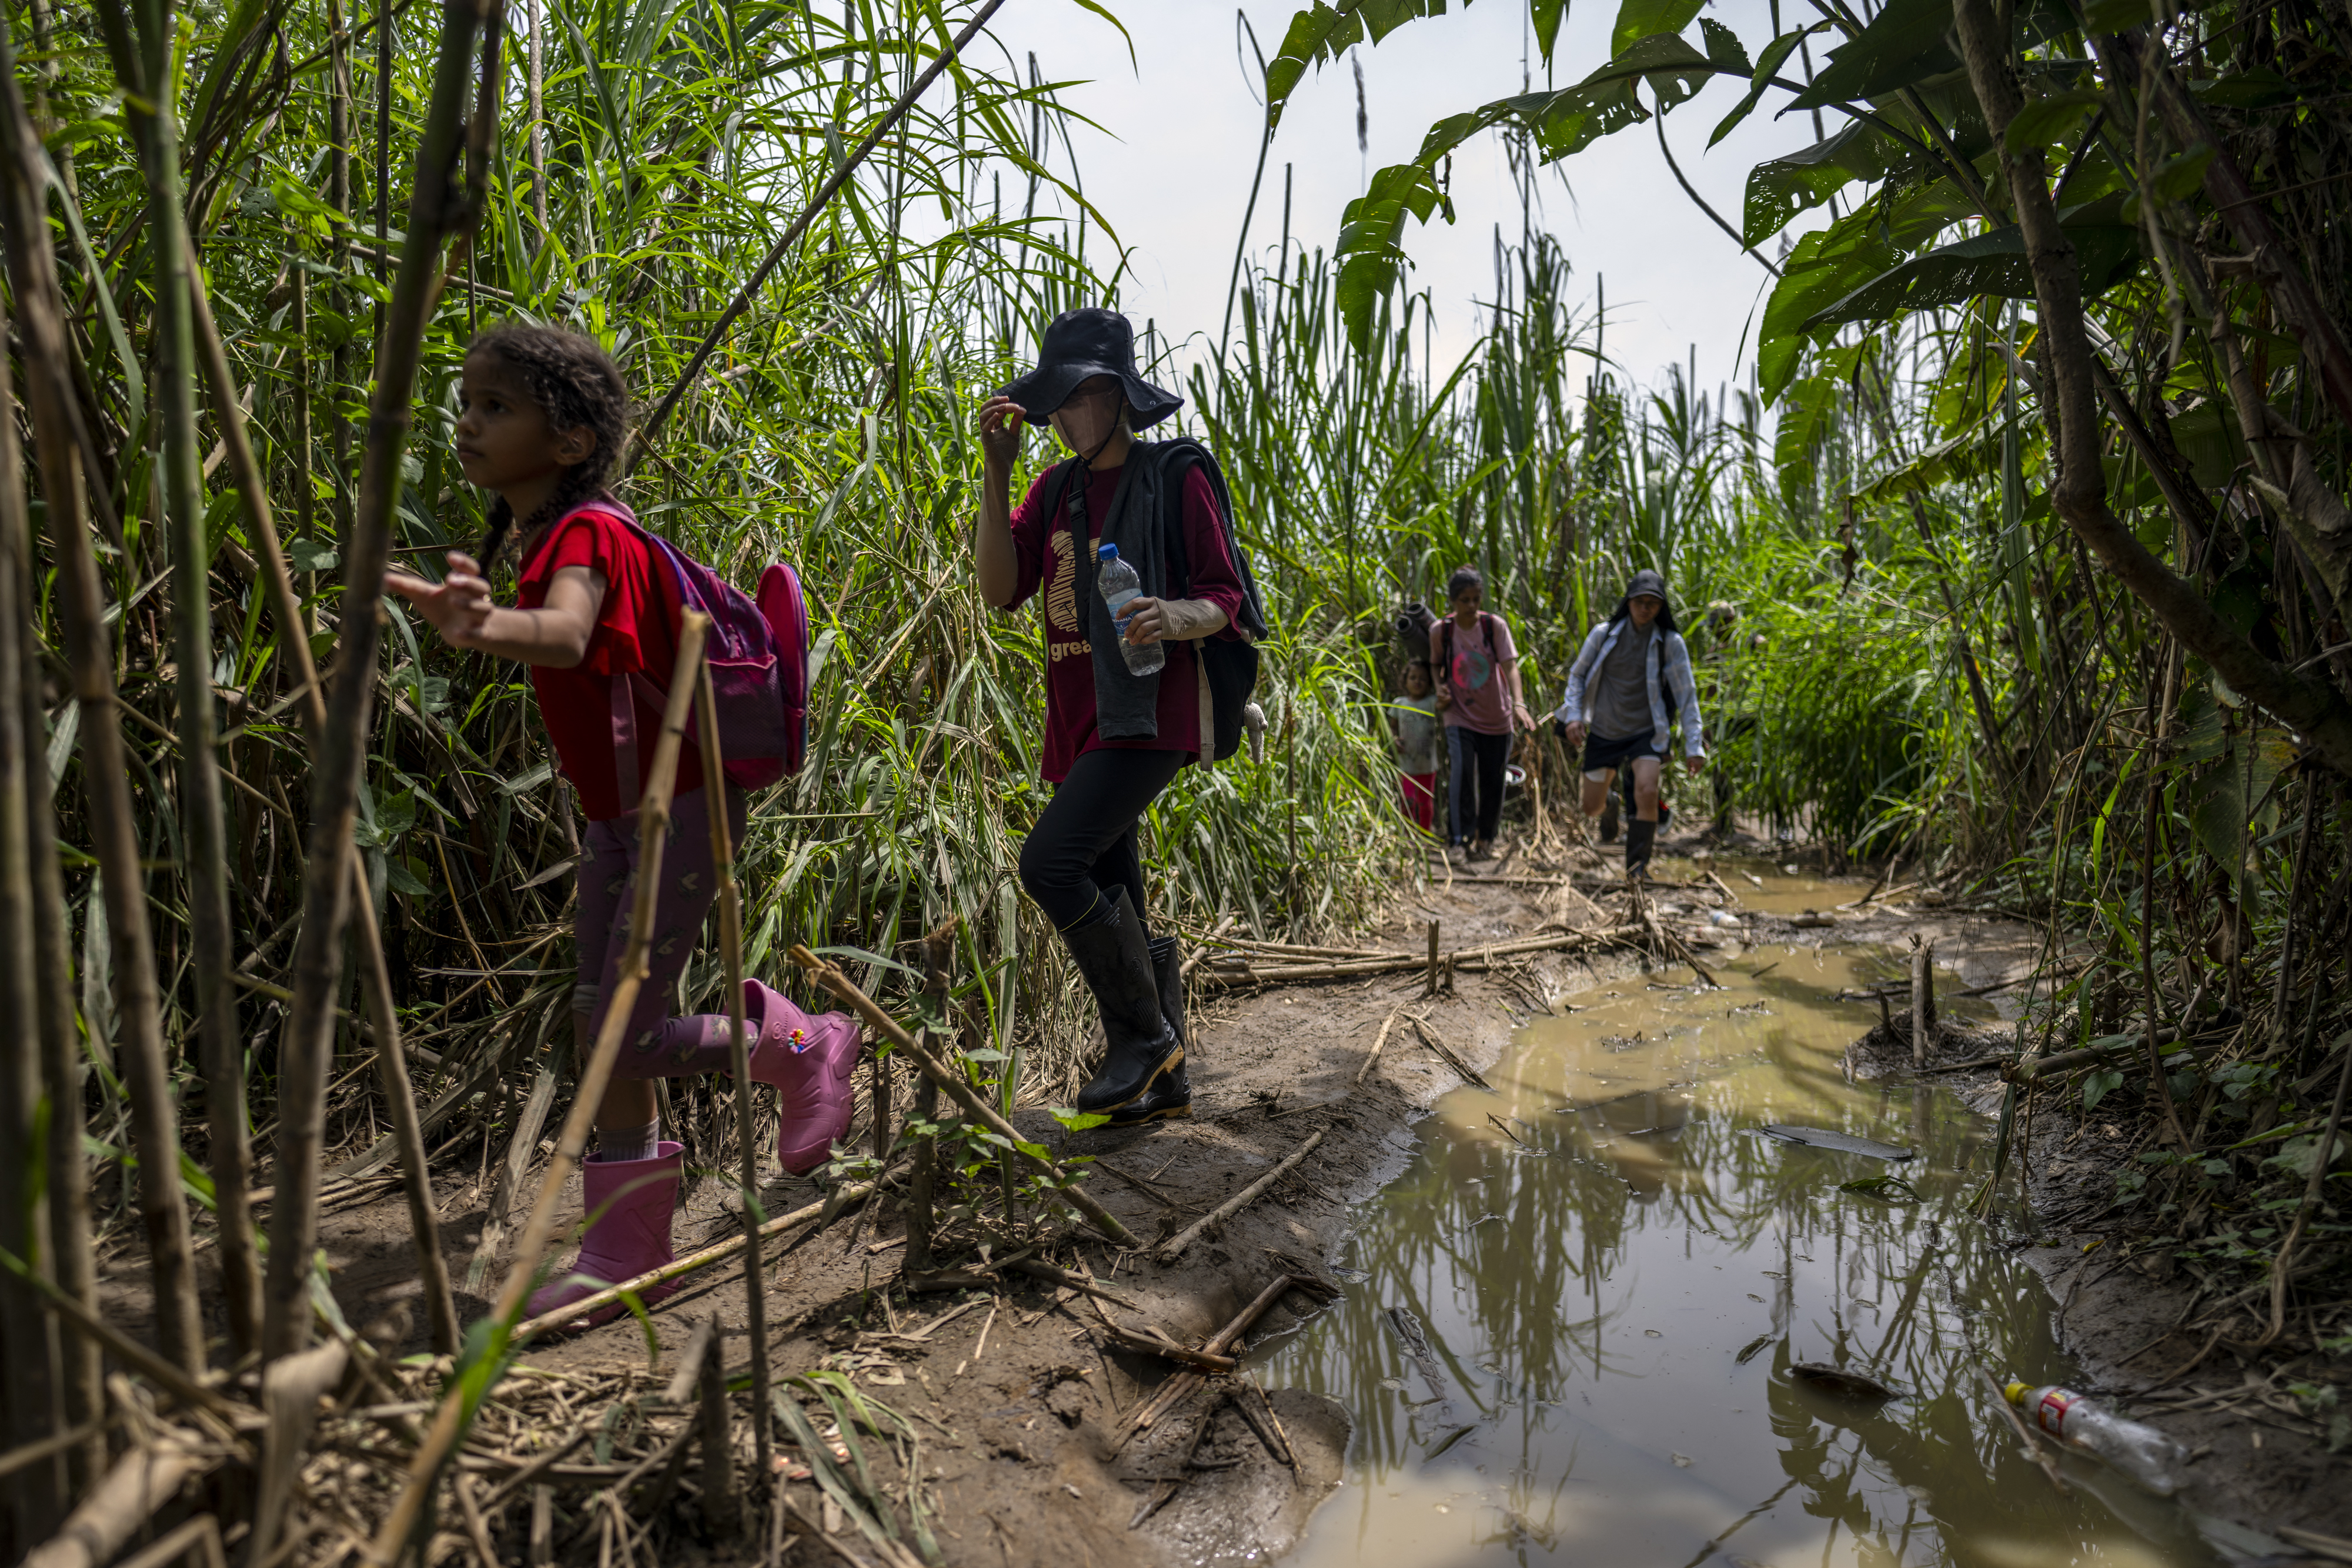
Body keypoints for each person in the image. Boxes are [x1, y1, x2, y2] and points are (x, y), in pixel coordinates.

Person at [384, 324, 858, 1329]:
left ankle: (802, 1044)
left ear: (570, 440)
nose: (468, 421)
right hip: (624, 815)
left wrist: (479, 625)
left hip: (675, 809)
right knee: (602, 1018)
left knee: (621, 1029)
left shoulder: (588, 533)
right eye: (467, 401)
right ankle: (627, 1252)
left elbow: (561, 634)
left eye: (496, 406)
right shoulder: (549, 533)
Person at [974, 307, 1264, 1126]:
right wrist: (998, 474)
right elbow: (1001, 590)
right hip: (1079, 715)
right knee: (1110, 883)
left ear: (1119, 395)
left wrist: (1170, 617)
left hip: (1149, 716)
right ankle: (1163, 1070)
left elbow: (1225, 598)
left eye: (1082, 397)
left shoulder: (1176, 475)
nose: (1068, 416)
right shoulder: (1053, 488)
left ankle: (1140, 1037)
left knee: (1050, 864)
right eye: (1056, 403)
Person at [1552, 567, 1707, 880]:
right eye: (1640, 601)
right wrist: (1574, 717)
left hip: (1646, 732)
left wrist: (1694, 746)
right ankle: (1611, 805)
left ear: (1661, 607)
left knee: (1648, 791)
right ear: (1629, 601)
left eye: (1653, 602)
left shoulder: (1670, 643)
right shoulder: (1603, 634)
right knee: (1591, 808)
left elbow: (1686, 696)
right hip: (1605, 729)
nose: (1646, 608)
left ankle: (1637, 869)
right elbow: (1578, 675)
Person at [1427, 566, 1532, 862]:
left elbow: (1511, 666)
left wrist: (1519, 704)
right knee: (1461, 773)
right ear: (1452, 601)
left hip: (1497, 718)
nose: (1472, 606)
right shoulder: (1441, 631)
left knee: (1493, 780)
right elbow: (1435, 664)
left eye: (1476, 599)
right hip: (1459, 716)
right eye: (1465, 600)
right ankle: (1458, 841)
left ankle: (1485, 840)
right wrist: (1439, 686)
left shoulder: (1493, 626)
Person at [1392, 657, 1441, 836]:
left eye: (1423, 678)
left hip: (1427, 767)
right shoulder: (1399, 703)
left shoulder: (1431, 702)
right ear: (1405, 681)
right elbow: (1390, 726)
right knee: (1408, 801)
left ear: (1429, 682)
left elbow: (1444, 703)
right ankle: (1408, 835)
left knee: (1425, 803)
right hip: (1406, 765)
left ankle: (1425, 836)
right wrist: (1394, 740)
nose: (1418, 681)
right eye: (1413, 677)